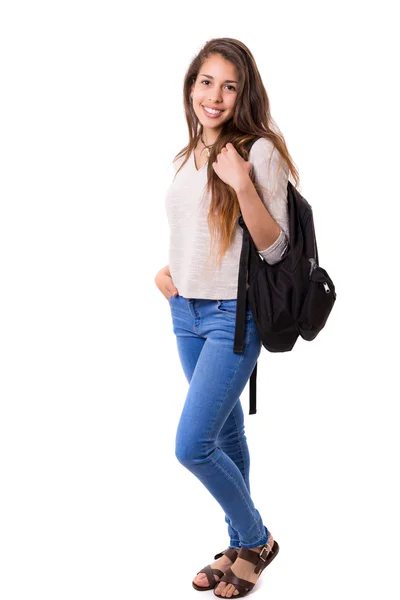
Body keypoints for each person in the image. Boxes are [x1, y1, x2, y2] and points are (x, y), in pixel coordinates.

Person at [154, 38, 300, 598]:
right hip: (185, 311)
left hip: (231, 318)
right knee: (226, 431)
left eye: (229, 85)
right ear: (191, 86)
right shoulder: (188, 152)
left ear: (244, 94)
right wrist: (168, 275)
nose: (215, 96)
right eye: (206, 82)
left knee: (192, 445)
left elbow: (275, 248)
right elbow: (196, 233)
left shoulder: (258, 151)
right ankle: (240, 548)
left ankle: (257, 538)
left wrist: (241, 183)